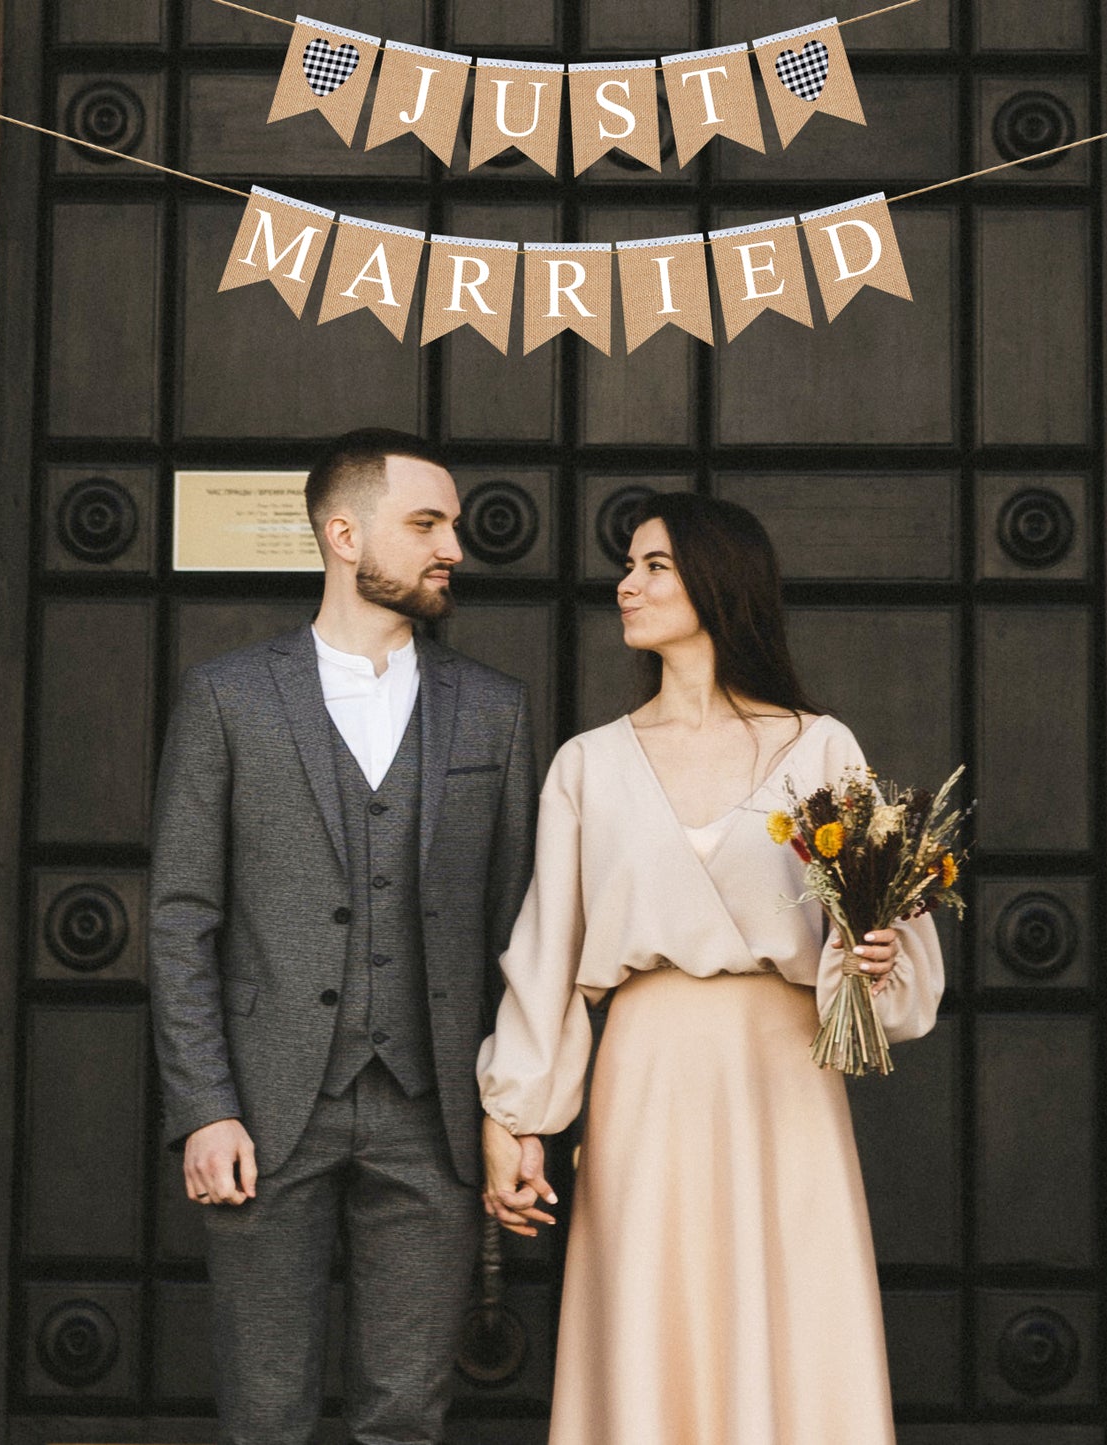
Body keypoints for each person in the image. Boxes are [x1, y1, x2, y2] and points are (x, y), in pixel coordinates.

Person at [476, 492, 945, 1445]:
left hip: (782, 1074)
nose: (627, 583)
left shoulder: (820, 745)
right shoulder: (588, 764)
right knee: (651, 1304)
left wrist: (875, 958)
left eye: (654, 565)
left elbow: (881, 937)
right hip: (643, 1075)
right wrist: (516, 1116)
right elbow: (548, 955)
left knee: (787, 1306)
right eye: (629, 565)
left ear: (718, 581)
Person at [149, 428, 537, 1445]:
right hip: (263, 1112)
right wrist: (203, 1105)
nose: (454, 545)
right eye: (426, 523)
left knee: (405, 1412)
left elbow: (517, 929)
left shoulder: (493, 712)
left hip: (434, 1113)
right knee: (264, 1412)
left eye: (450, 523)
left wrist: (512, 1106)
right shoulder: (228, 698)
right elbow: (182, 916)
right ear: (341, 532)